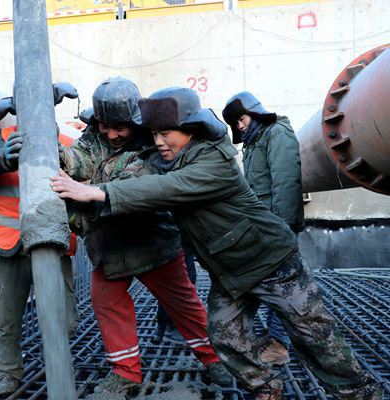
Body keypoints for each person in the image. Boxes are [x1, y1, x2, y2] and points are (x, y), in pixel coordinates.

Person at [51, 87, 383, 400]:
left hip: (270, 262)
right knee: (225, 337)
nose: (158, 141)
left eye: (165, 133)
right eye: (154, 134)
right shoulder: (167, 158)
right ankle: (266, 387)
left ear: (190, 128)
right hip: (230, 271)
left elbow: (167, 188)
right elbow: (132, 174)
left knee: (316, 339)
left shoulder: (213, 158)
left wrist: (96, 192)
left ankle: (362, 394)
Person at [59, 77, 231, 394]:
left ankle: (215, 358)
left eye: (120, 128)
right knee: (107, 304)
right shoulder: (94, 134)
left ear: (135, 122)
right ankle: (125, 372)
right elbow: (81, 158)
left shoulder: (153, 141)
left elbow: (133, 187)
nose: (111, 134)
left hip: (153, 243)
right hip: (109, 247)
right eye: (105, 126)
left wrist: (83, 201)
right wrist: (59, 156)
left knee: (183, 304)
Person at [0, 87, 79, 396]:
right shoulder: (5, 138)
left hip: (52, 241)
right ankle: (7, 373)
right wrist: (4, 159)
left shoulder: (67, 142)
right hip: (9, 244)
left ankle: (58, 367)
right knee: (3, 316)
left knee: (62, 318)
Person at [221, 91, 305, 365]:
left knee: (283, 286)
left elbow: (285, 181)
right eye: (235, 123)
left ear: (255, 112)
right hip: (263, 224)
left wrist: (283, 227)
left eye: (242, 119)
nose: (240, 126)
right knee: (269, 283)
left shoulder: (277, 133)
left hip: (276, 225)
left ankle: (279, 345)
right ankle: (271, 338)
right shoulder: (256, 140)